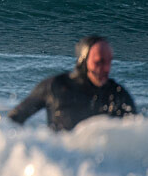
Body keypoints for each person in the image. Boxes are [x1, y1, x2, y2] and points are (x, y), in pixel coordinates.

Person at [8, 36, 137, 131]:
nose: (106, 68)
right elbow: (13, 120)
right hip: (59, 157)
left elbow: (136, 134)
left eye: (109, 62)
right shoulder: (56, 86)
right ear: (83, 62)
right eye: (99, 62)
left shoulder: (117, 95)